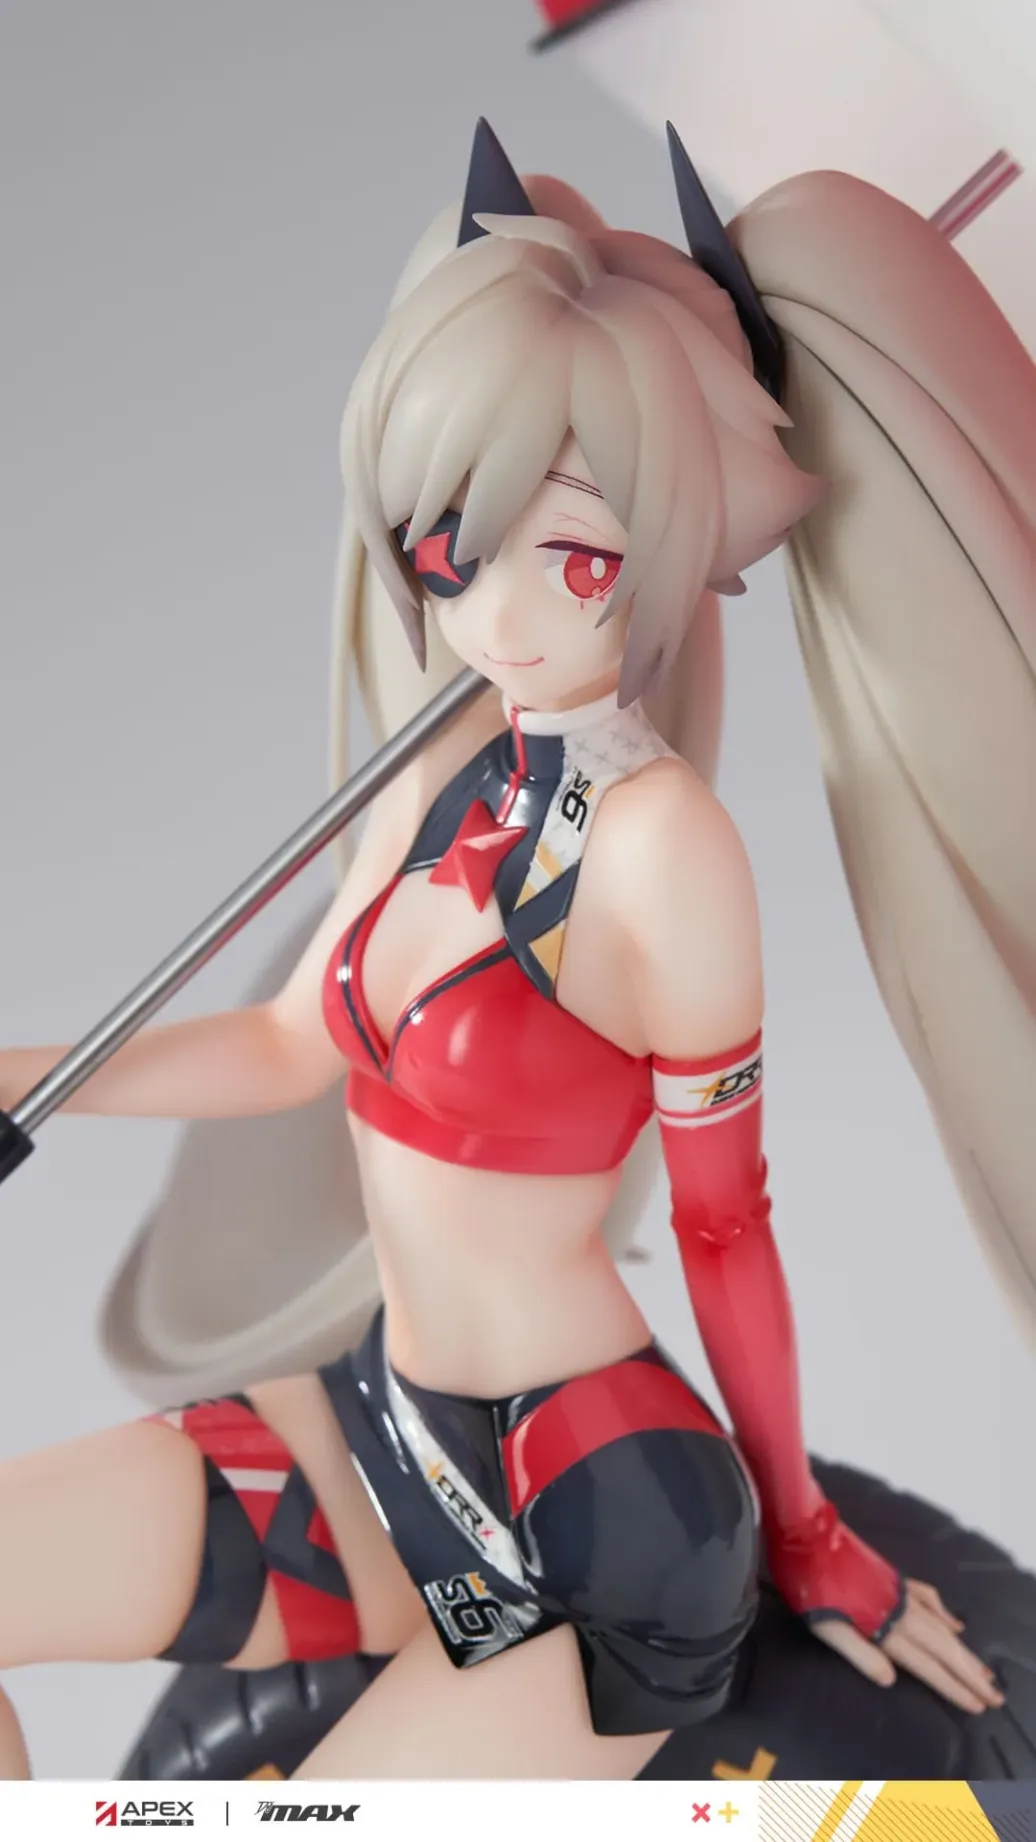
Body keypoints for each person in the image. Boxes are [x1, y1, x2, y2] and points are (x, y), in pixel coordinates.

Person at [1, 119, 1031, 1781]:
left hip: (595, 1523)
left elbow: (727, 1228)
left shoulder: (666, 854)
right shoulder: (441, 770)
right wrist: (21, 1074)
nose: (495, 614)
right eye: (451, 544)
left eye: (576, 555)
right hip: (381, 1433)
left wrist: (807, 1529)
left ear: (673, 552)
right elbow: (286, 1045)